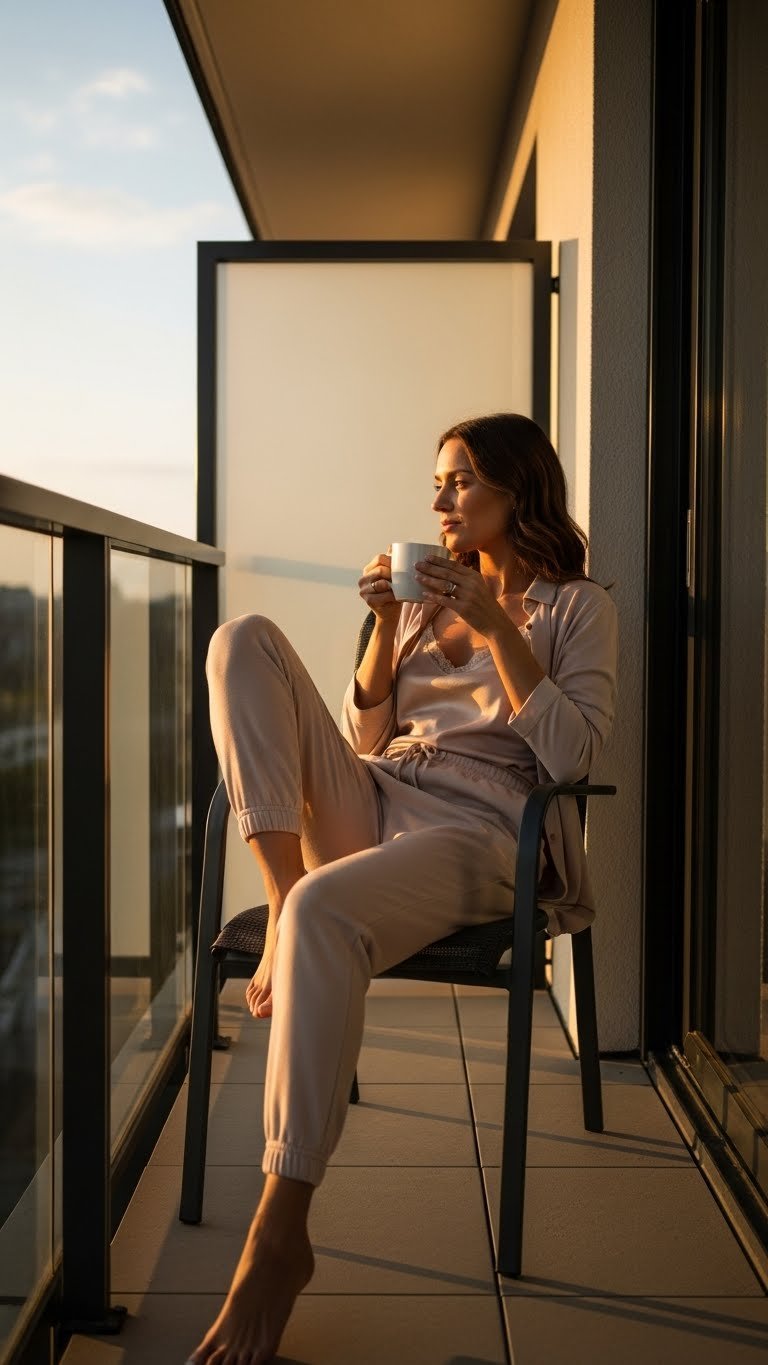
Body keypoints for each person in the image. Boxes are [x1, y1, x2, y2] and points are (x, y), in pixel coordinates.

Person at [186, 412, 618, 1365]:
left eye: (459, 481)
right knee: (241, 639)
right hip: (382, 794)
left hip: (489, 825)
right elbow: (368, 739)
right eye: (437, 483)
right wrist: (387, 627)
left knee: (327, 915)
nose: (439, 501)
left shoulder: (578, 606)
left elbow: (572, 754)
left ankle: (278, 1230)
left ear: (516, 488)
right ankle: (287, 891)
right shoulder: (424, 599)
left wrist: (501, 621)